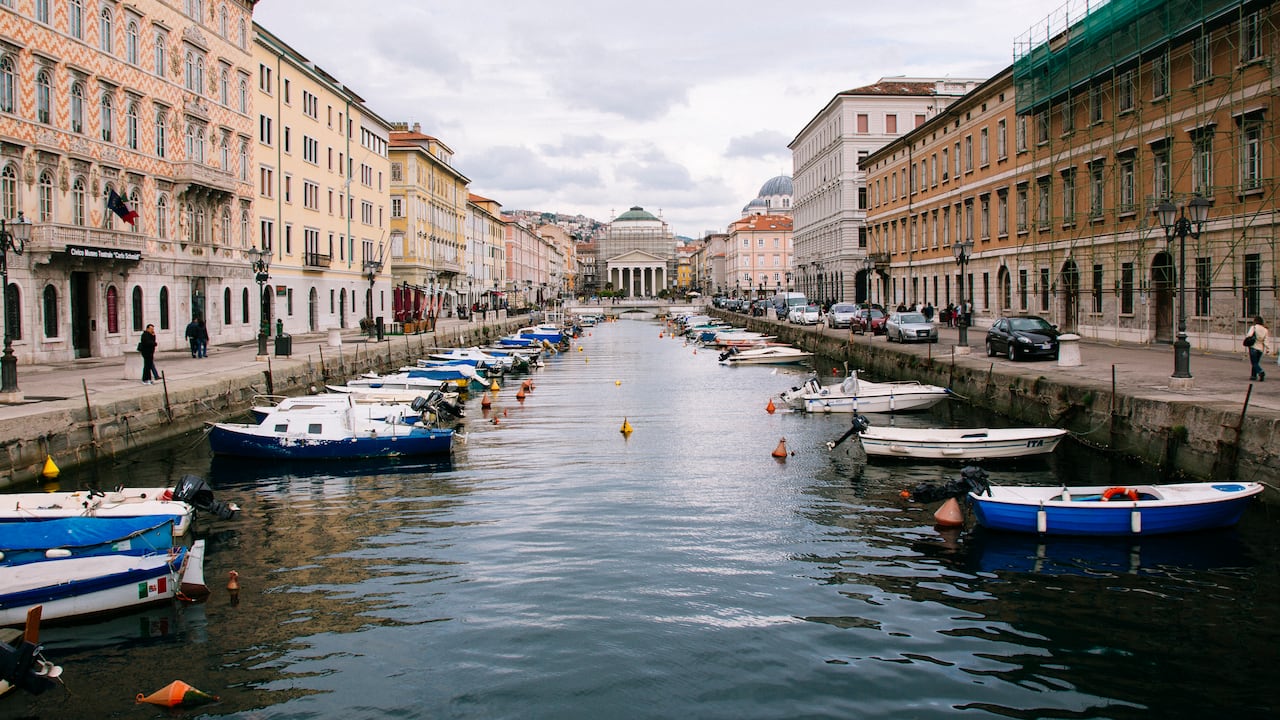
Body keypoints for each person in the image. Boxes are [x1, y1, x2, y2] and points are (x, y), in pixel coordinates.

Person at [1245, 315, 1270, 382]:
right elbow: (1266, 340)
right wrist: (1267, 349)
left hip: (1253, 347)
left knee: (1254, 363)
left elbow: (1249, 335)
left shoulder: (1254, 327)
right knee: (1256, 362)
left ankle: (1261, 372)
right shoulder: (1265, 330)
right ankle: (1253, 375)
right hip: (1260, 349)